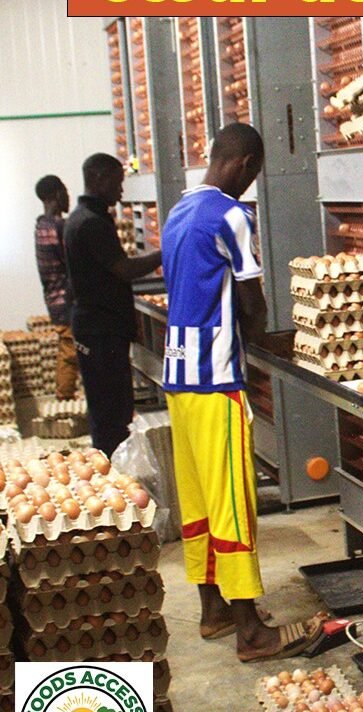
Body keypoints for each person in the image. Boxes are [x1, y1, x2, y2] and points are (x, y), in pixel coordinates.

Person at [160, 123, 324, 662]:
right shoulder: (231, 215)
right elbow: (251, 303)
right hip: (216, 382)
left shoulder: (180, 211)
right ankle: (251, 631)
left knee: (202, 500)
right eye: (253, 173)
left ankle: (213, 612)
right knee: (233, 503)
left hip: (179, 380)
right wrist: (273, 342)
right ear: (246, 164)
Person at [64, 154, 162, 456]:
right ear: (98, 178)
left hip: (97, 326)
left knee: (108, 404)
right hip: (100, 329)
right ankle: (112, 468)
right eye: (117, 183)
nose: (121, 191)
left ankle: (110, 466)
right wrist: (166, 252)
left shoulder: (82, 217)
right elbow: (124, 269)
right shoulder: (91, 223)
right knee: (111, 409)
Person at [33, 175, 79, 400]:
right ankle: (65, 398)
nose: (68, 197)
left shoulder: (41, 225)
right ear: (56, 195)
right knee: (70, 351)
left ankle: (66, 394)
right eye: (65, 192)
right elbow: (73, 264)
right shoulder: (59, 227)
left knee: (68, 347)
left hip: (54, 299)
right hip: (65, 300)